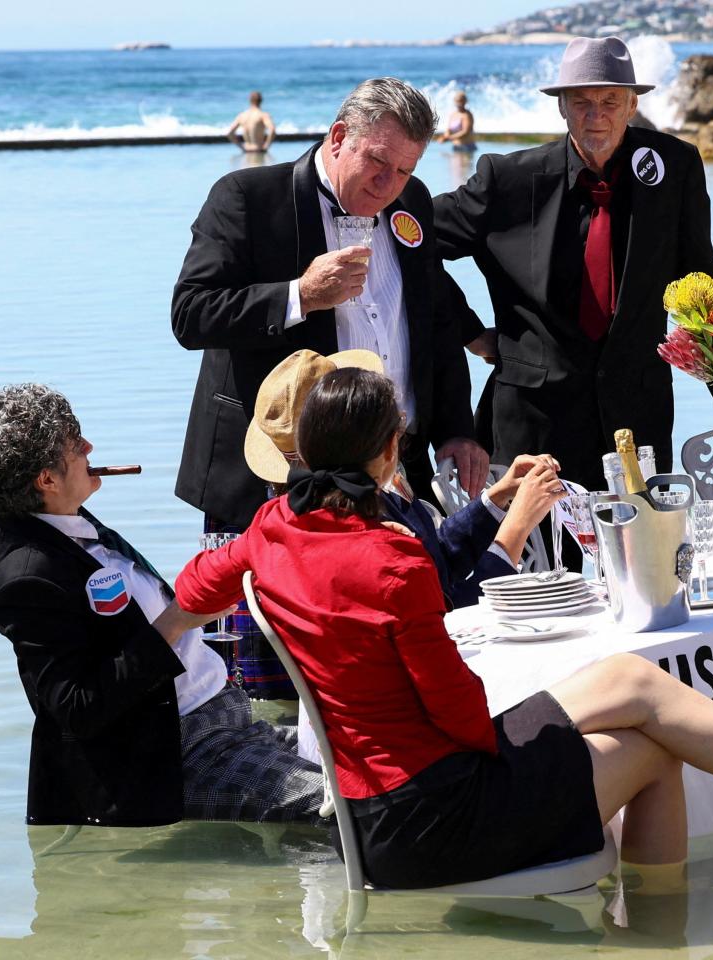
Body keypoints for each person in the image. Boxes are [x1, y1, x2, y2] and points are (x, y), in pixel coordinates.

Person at [175, 367, 713, 887]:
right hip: (437, 820)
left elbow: (193, 589)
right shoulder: (391, 558)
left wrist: (153, 639)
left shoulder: (270, 531)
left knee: (630, 681)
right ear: (388, 453)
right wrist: (536, 735)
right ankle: (673, 921)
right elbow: (457, 716)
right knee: (653, 752)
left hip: (374, 813)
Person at [172, 77, 493, 698]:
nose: (390, 183)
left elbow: (432, 320)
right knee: (269, 692)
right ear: (340, 136)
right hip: (274, 479)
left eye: (406, 169)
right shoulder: (247, 197)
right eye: (379, 162)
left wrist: (457, 429)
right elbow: (190, 314)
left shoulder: (412, 202)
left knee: (392, 672)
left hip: (390, 473)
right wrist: (300, 295)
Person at [0, 384, 326, 827]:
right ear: (45, 480)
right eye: (75, 444)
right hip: (179, 749)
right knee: (350, 807)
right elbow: (79, 707)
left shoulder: (41, 512)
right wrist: (174, 623)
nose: (89, 447)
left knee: (373, 759)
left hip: (227, 715)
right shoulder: (28, 579)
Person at [432, 36, 713, 492]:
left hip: (639, 418)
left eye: (610, 101)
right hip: (533, 425)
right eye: (582, 102)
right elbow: (410, 241)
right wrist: (467, 330)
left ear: (632, 106)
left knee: (645, 541)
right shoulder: (507, 180)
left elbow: (701, 279)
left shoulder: (675, 167)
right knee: (534, 544)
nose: (596, 115)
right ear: (561, 107)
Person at [243, 346, 553, 609]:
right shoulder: (352, 526)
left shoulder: (347, 497)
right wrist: (516, 528)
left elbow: (435, 554)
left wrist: (497, 498)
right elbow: (445, 610)